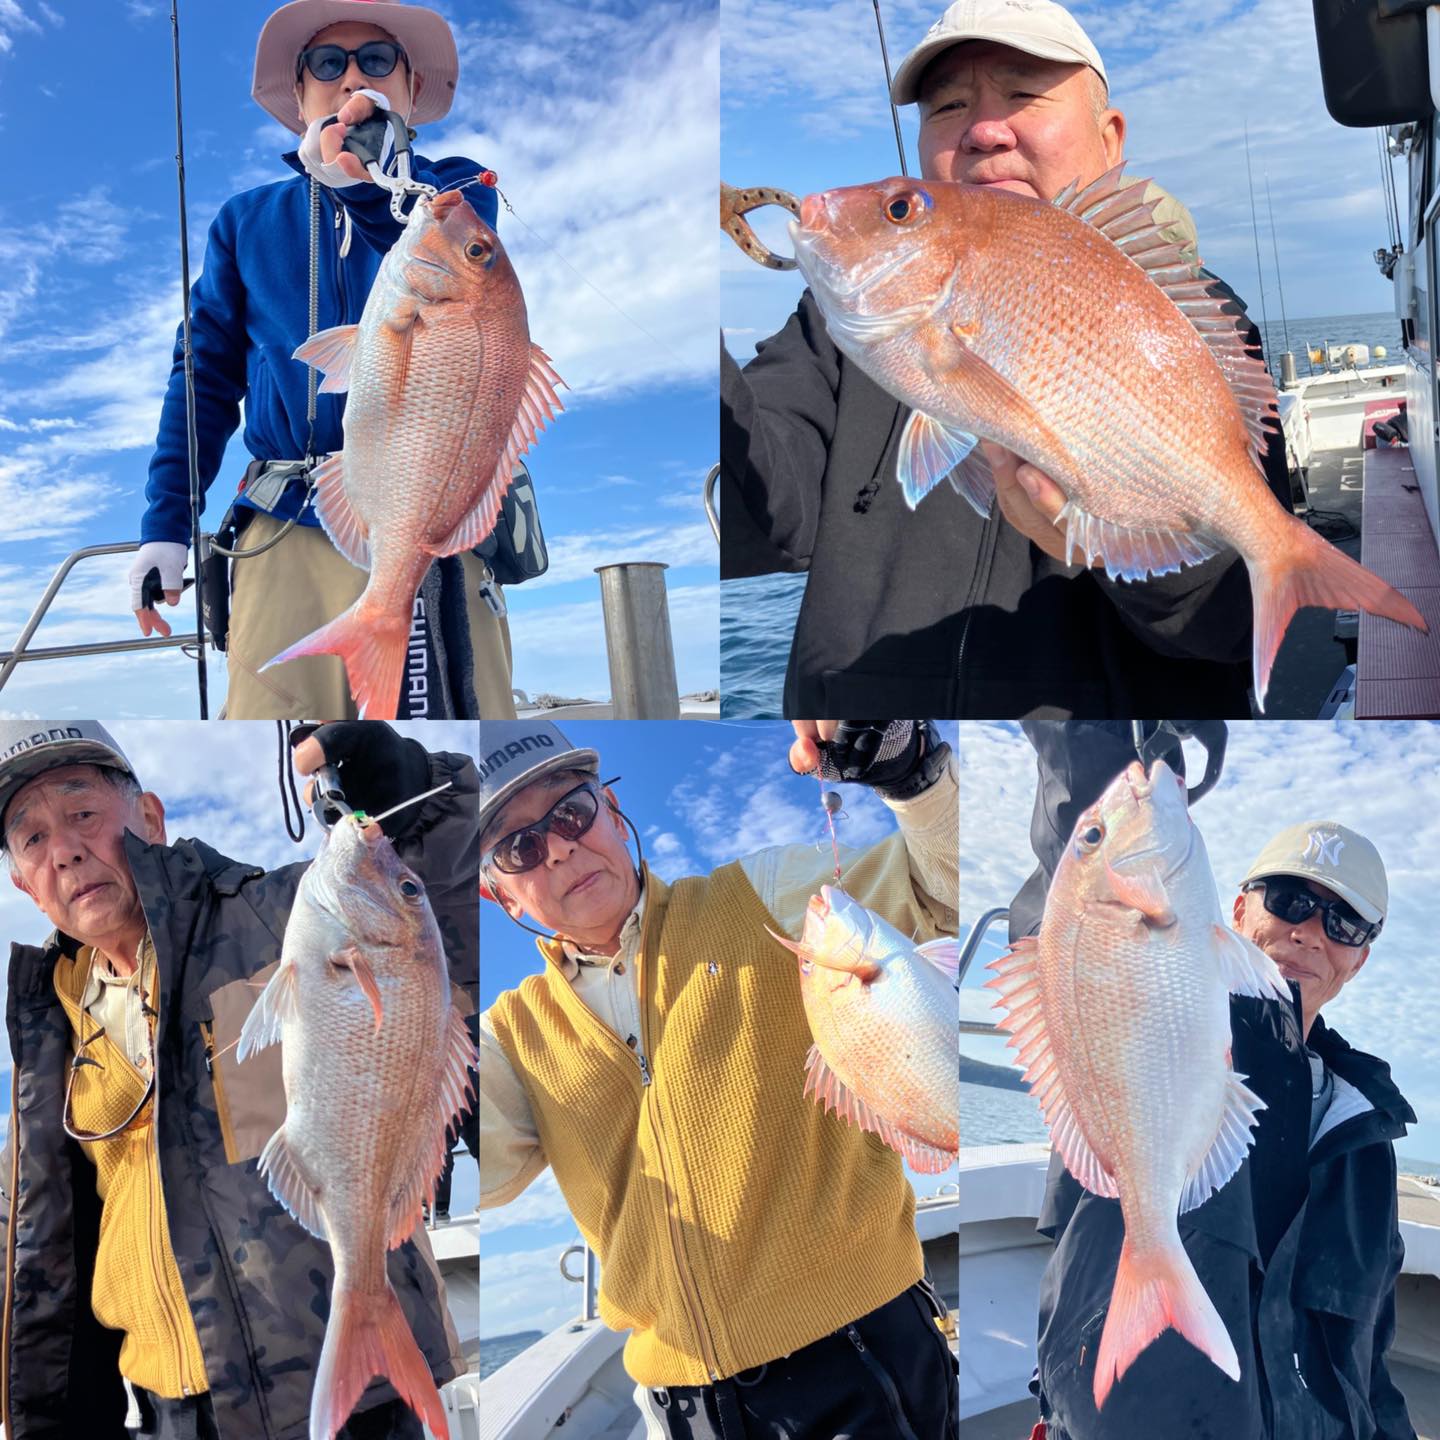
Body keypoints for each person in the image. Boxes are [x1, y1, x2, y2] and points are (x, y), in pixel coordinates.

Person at [720, 0, 1292, 719]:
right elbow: (753, 522)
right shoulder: (842, 326)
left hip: (1100, 762)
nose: (985, 130)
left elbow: (1229, 624)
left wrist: (1119, 550)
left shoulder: (1196, 321)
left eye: (1023, 93)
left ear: (1109, 138)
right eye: (948, 106)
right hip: (874, 749)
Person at [478, 719, 960, 1439]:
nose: (558, 847)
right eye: (519, 847)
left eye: (572, 811)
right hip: (684, 1408)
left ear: (612, 811)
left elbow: (942, 890)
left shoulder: (766, 895)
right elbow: (450, 1166)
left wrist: (912, 773)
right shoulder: (508, 1036)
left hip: (862, 1353)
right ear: (500, 897)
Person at [0, 720, 479, 1440]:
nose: (64, 849)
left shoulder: (280, 913)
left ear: (150, 819)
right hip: (166, 1413)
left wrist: (417, 802)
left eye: (84, 813)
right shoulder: (48, 1031)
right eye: (33, 838)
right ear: (21, 881)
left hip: (339, 1401)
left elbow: (441, 923)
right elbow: (35, 1238)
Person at [1012, 723, 1417, 1440]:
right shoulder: (1157, 994)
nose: (1310, 931)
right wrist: (1113, 729)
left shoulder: (1366, 1135)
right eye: (1288, 899)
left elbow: (1369, 1357)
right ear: (1237, 910)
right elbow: (1072, 880)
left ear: (1359, 960)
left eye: (1345, 922)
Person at [131, 0, 518, 721]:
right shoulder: (244, 222)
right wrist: (167, 520)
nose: (353, 78)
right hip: (285, 523)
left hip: (431, 528)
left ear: (410, 88)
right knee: (272, 722)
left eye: (377, 60)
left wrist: (372, 191)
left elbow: (458, 261)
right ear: (301, 94)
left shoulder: (458, 193)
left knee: (455, 739)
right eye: (328, 62)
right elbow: (203, 377)